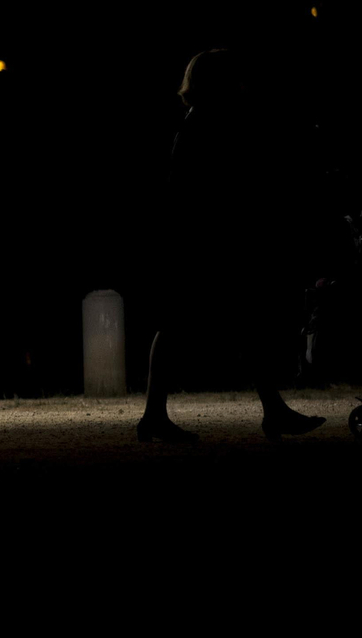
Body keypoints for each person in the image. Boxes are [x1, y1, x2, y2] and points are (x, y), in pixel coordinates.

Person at [137, 49, 326, 443]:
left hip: (197, 241)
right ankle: (271, 412)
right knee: (228, 323)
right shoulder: (209, 124)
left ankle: (267, 411)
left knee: (195, 326)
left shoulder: (199, 122)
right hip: (204, 243)